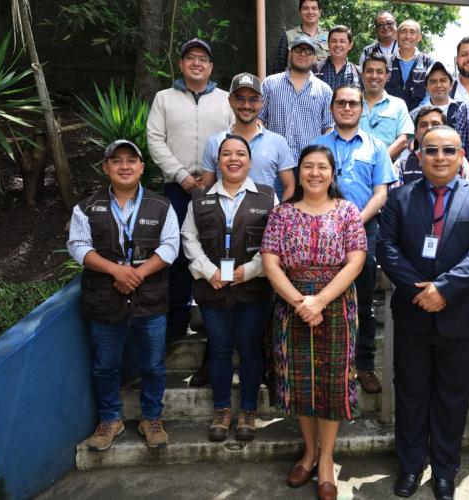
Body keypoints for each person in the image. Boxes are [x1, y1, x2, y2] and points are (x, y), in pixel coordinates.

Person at [377, 125, 469, 500]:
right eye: (432, 151)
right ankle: (411, 465)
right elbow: (386, 248)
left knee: (452, 397)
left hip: (460, 317)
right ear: (419, 155)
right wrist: (422, 290)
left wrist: (444, 289)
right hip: (413, 315)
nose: (440, 157)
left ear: (461, 154)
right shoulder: (399, 198)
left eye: (449, 150)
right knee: (411, 394)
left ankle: (445, 470)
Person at [261, 145, 367, 500]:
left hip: (336, 304)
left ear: (333, 173)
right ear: (300, 172)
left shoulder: (348, 212)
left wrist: (320, 300)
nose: (315, 173)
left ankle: (326, 460)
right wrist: (299, 301)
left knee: (332, 383)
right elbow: (271, 262)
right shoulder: (282, 213)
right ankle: (308, 452)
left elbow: (355, 262)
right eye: (308, 166)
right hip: (291, 304)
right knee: (301, 381)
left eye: (322, 167)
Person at [67, 140, 180, 451]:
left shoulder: (162, 206)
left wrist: (136, 275)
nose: (125, 166)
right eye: (117, 161)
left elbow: (170, 247)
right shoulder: (86, 207)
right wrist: (116, 271)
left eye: (132, 160)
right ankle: (110, 419)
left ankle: (152, 418)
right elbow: (78, 246)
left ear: (143, 167)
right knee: (105, 365)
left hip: (150, 300)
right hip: (105, 299)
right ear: (106, 168)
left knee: (153, 365)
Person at [181, 135, 277, 443]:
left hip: (252, 289)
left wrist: (248, 271)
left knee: (250, 349)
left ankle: (248, 411)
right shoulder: (201, 199)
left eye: (240, 154)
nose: (233, 159)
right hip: (212, 288)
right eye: (226, 154)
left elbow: (274, 243)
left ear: (250, 161)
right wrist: (210, 272)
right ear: (218, 161)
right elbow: (188, 239)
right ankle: (222, 410)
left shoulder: (266, 196)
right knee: (219, 349)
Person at [147, 38, 234, 342]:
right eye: (191, 58)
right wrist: (181, 175)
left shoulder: (226, 99)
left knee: (218, 249)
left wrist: (216, 177)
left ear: (211, 67)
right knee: (179, 253)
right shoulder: (164, 98)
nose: (197, 63)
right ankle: (177, 322)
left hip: (218, 189)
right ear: (181, 64)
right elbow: (155, 140)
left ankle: (218, 325)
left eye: (203, 59)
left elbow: (237, 142)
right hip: (177, 188)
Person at [313, 85, 398, 394]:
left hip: (364, 229)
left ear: (362, 109)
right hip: (320, 231)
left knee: (363, 301)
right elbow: (309, 186)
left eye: (353, 103)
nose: (347, 108)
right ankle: (328, 362)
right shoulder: (317, 146)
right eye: (341, 103)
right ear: (333, 108)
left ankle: (363, 365)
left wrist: (351, 223)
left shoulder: (376, 147)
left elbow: (381, 193)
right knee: (323, 294)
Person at [202, 72, 296, 201]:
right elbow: (206, 189)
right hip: (224, 218)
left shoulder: (277, 142)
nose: (246, 105)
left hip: (265, 218)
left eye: (253, 99)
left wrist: (278, 217)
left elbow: (290, 186)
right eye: (240, 98)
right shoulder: (214, 142)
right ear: (230, 101)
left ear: (262, 102)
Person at [260, 34, 333, 167]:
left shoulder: (324, 90)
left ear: (315, 57)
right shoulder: (270, 83)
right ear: (290, 54)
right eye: (298, 50)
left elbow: (329, 128)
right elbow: (258, 119)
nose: (303, 54)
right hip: (274, 163)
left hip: (309, 165)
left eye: (308, 51)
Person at [395, 105, 469, 186]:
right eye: (423, 125)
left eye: (435, 124)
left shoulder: (460, 160)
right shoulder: (401, 164)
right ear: (416, 133)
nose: (429, 128)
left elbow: (468, 192)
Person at [360, 52, 414, 160]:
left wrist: (379, 162)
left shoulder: (398, 105)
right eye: (369, 71)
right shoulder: (351, 104)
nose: (374, 76)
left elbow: (403, 140)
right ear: (362, 75)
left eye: (379, 72)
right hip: (353, 168)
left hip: (387, 169)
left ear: (387, 76)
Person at [386, 19, 432, 111]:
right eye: (403, 31)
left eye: (412, 32)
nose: (407, 36)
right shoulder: (386, 61)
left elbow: (431, 93)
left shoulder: (428, 61)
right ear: (396, 36)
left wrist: (416, 113)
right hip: (390, 115)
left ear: (419, 37)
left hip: (421, 117)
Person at [272, 0, 329, 74]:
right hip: (292, 84)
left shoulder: (329, 36)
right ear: (300, 12)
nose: (310, 12)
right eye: (305, 8)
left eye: (314, 8)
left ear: (320, 12)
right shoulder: (288, 36)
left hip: (323, 84)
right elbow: (278, 67)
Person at [409, 62, 461, 129]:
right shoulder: (415, 115)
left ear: (451, 85)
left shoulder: (462, 110)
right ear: (426, 87)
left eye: (443, 80)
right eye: (433, 82)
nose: (438, 85)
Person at [313, 25, 362, 91]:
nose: (338, 45)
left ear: (350, 45)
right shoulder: (314, 69)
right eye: (334, 41)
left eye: (342, 41)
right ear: (328, 44)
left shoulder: (359, 73)